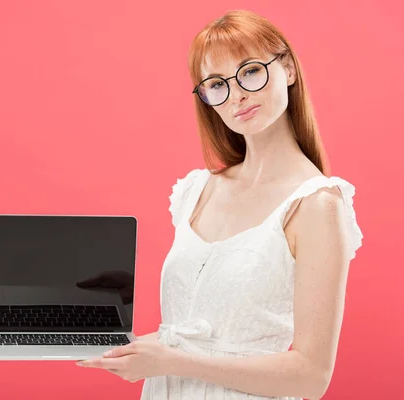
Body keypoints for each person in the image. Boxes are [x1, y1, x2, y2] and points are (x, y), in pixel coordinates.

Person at [76, 9, 363, 400]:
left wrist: (171, 361)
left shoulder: (316, 204)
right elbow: (203, 319)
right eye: (216, 83)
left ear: (289, 69)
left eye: (249, 71)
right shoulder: (197, 190)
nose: (237, 94)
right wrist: (122, 337)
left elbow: (310, 376)